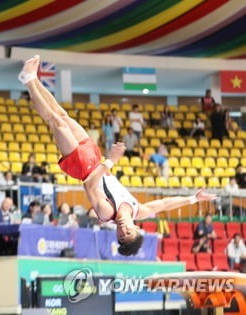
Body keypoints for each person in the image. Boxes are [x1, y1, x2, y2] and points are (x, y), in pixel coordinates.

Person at [19, 55, 217, 256]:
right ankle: (33, 78)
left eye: (121, 235)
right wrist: (193, 198)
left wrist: (111, 162)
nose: (123, 230)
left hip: (83, 168)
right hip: (95, 158)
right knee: (62, 115)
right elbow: (165, 204)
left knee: (56, 123)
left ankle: (28, 81)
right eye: (128, 232)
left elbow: (88, 184)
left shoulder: (107, 213)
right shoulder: (139, 210)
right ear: (137, 228)